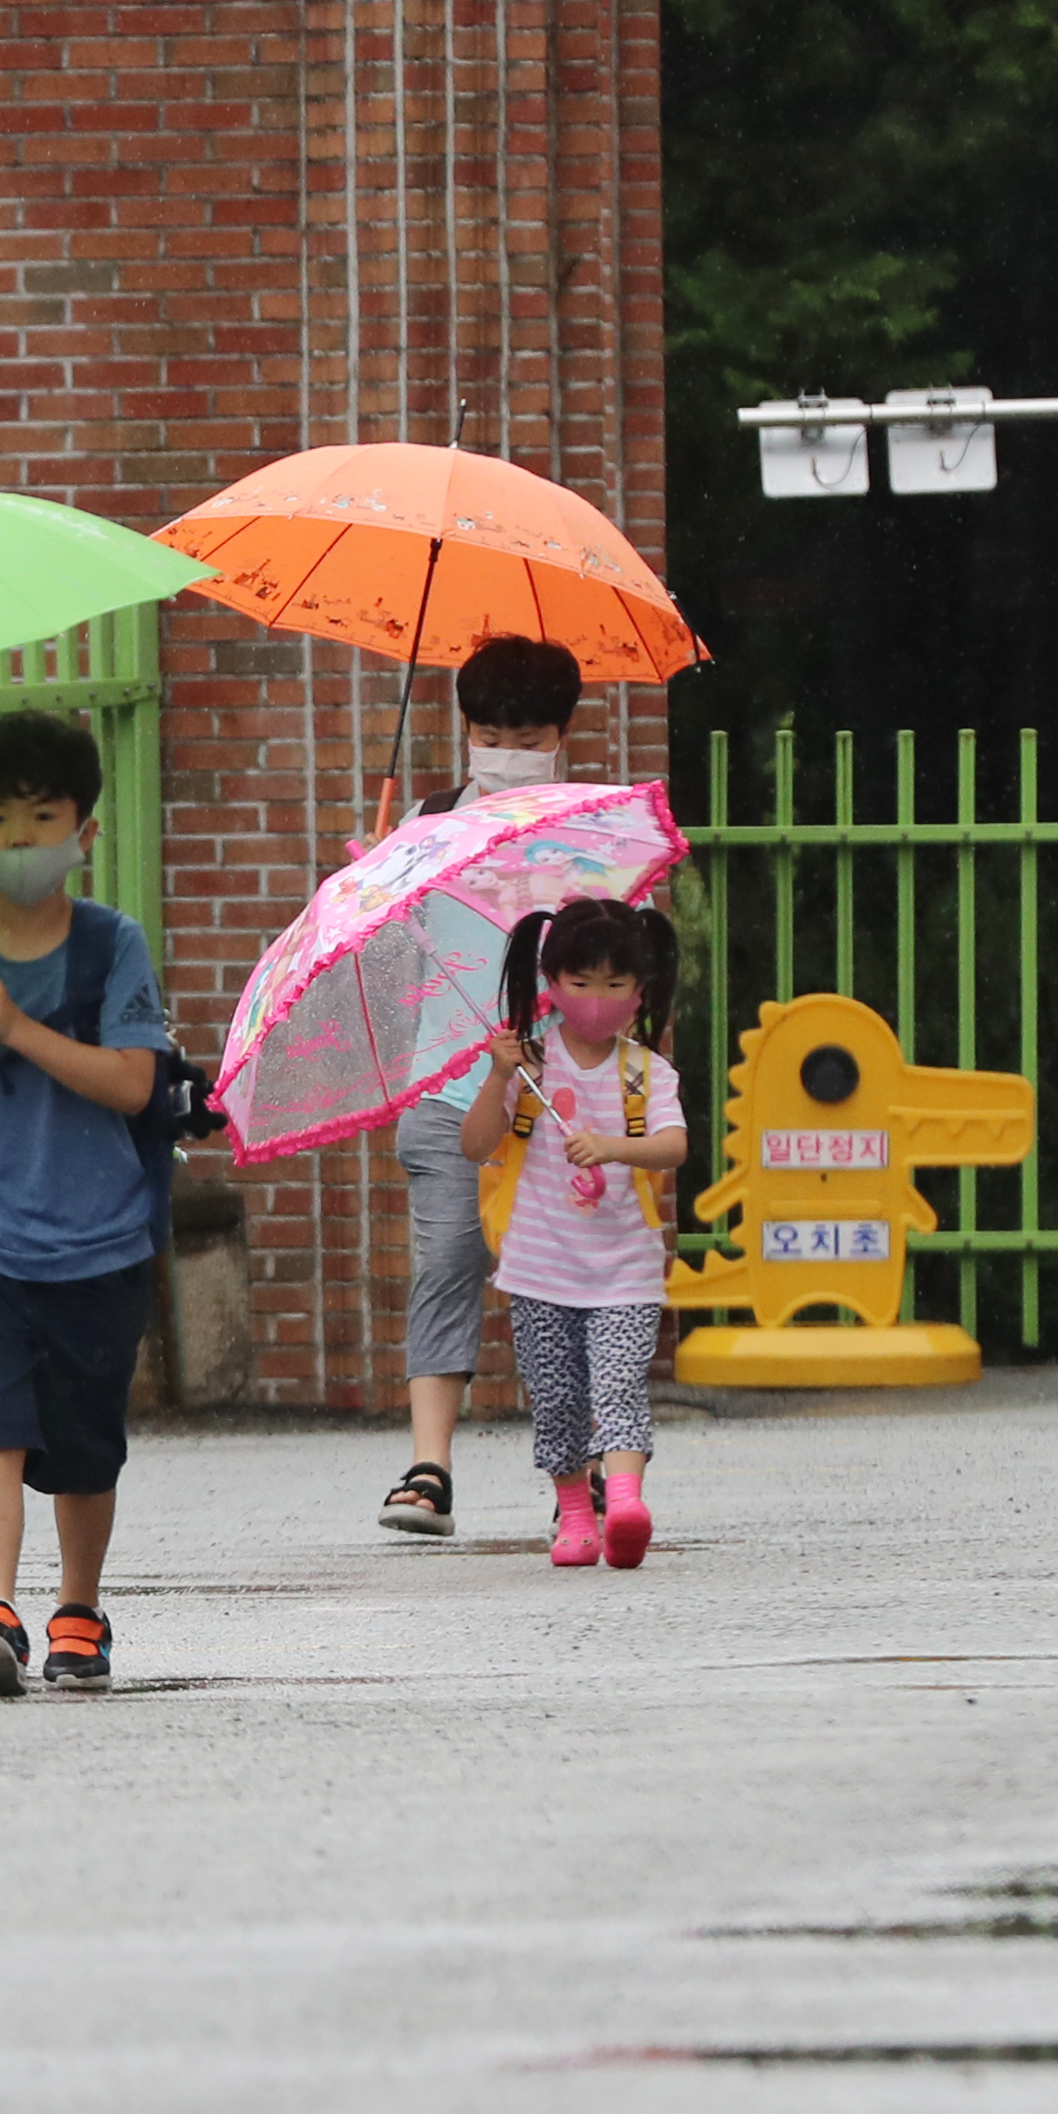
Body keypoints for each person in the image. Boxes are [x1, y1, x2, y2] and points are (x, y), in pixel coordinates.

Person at [0, 711, 181, 1698]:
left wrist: (15, 1024)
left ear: (82, 832)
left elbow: (134, 1084)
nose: (17, 840)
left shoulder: (110, 947)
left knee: (86, 1451)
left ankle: (76, 1609)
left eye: (39, 816)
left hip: (99, 1243)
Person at [377, 635, 590, 1537]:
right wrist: (376, 867)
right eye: (491, 729)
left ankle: (578, 1478)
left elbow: (626, 957)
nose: (508, 745)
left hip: (559, 1102)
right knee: (448, 1266)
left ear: (561, 734)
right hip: (448, 1088)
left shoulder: (590, 827)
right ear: (465, 728)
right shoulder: (424, 822)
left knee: (565, 1290)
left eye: (528, 729)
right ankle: (429, 1466)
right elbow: (385, 950)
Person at [457, 899, 688, 1569]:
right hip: (539, 1267)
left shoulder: (647, 1073)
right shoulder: (527, 1065)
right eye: (580, 982)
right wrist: (499, 1075)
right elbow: (477, 1146)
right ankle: (576, 1514)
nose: (596, 999)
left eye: (615, 984)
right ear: (551, 984)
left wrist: (615, 1147)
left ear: (640, 991)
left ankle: (626, 1502)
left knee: (617, 1386)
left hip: (624, 1268)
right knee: (556, 1400)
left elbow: (673, 1146)